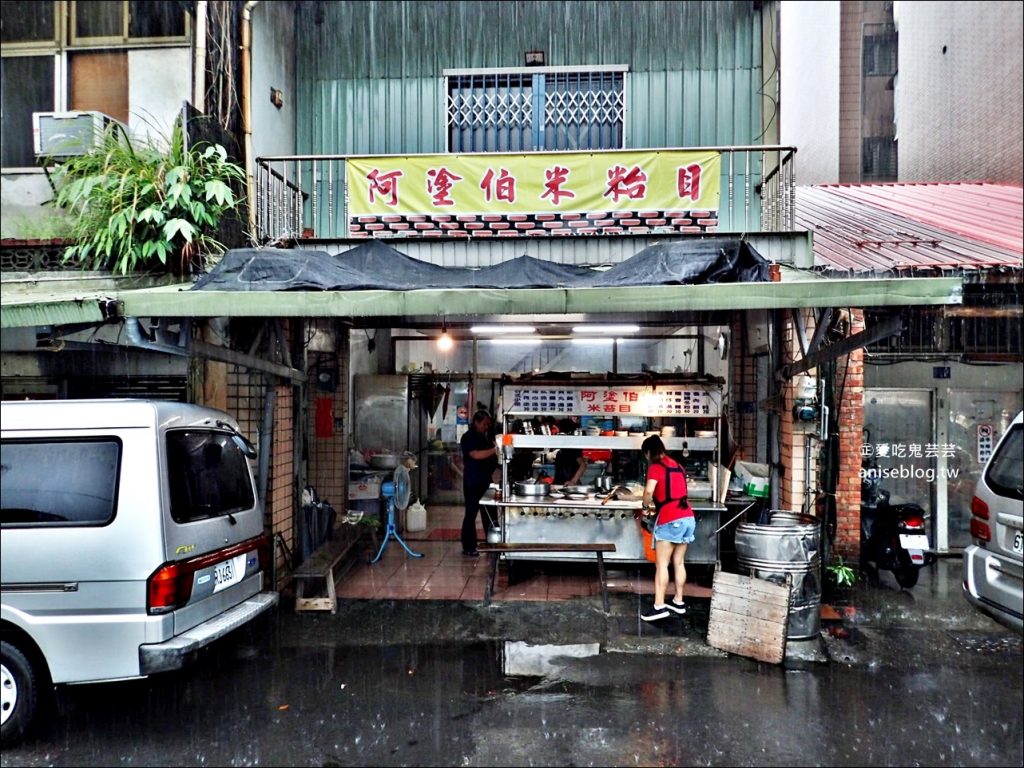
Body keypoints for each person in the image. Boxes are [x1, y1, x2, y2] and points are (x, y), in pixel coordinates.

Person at [638, 434, 695, 621]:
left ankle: (659, 606)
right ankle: (679, 602)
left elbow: (649, 491)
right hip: (687, 516)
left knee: (662, 564)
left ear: (648, 452)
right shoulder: (677, 465)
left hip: (671, 518)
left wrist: (645, 507)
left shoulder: (656, 466)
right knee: (679, 562)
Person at [459, 409, 499, 557]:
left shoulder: (485, 437)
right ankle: (469, 546)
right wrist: (495, 450)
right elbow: (475, 454)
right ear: (476, 422)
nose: (486, 427)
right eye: (484, 424)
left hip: (485, 481)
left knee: (489, 512)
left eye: (488, 424)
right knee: (471, 513)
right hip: (473, 481)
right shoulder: (468, 437)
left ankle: (493, 542)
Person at [553, 417, 588, 485]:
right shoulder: (562, 448)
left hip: (570, 485)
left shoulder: (573, 446)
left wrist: (573, 481)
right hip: (559, 484)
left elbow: (583, 465)